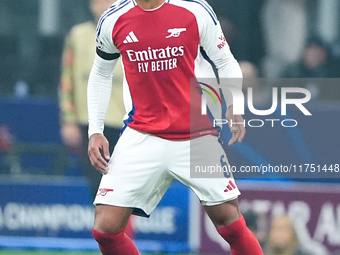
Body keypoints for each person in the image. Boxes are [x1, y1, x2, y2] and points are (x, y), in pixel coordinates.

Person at [87, 0, 263, 254]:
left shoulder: (195, 9)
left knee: (230, 223)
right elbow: (101, 73)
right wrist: (95, 130)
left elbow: (224, 60)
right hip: (141, 134)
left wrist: (234, 103)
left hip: (196, 133)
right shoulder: (113, 18)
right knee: (105, 229)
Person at [59, 0, 125, 197]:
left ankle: (121, 228)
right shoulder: (77, 36)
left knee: (125, 188)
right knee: (98, 189)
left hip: (126, 124)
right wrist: (68, 120)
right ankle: (105, 227)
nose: (104, 4)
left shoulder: (133, 33)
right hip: (89, 124)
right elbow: (66, 80)